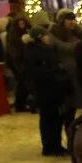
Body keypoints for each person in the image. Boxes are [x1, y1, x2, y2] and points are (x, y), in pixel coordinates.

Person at [27, 26, 73, 156]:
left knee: (55, 118)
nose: (49, 38)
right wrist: (55, 71)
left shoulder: (47, 49)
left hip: (52, 89)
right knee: (48, 118)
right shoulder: (34, 51)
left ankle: (55, 144)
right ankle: (49, 146)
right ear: (40, 37)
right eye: (46, 35)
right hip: (44, 90)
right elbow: (35, 72)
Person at [7, 13, 32, 112]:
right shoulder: (14, 36)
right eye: (20, 24)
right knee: (22, 85)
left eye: (23, 24)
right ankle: (20, 105)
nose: (22, 26)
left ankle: (21, 104)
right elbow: (14, 52)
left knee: (23, 85)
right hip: (19, 64)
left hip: (23, 62)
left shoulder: (25, 33)